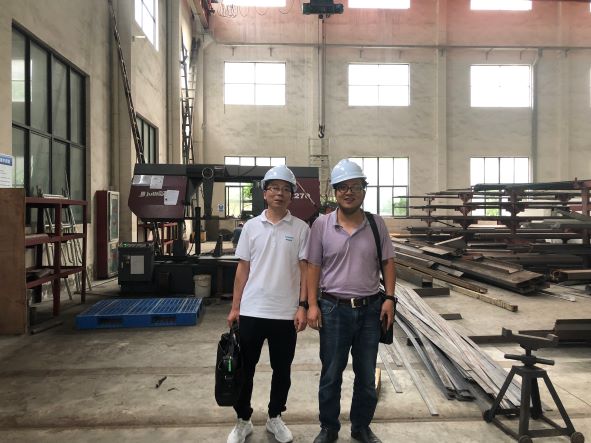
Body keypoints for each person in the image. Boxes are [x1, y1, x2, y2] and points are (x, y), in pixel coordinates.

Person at [306, 159, 397, 443]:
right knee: (331, 374)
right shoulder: (321, 225)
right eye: (343, 187)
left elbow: (388, 262)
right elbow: (313, 267)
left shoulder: (376, 224)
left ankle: (361, 427)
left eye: (355, 186)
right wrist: (311, 304)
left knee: (366, 376)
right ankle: (329, 428)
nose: (349, 192)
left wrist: (390, 298)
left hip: (370, 310)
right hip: (333, 309)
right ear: (335, 192)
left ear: (363, 191)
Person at [226, 164, 310, 443]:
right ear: (265, 193)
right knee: (244, 369)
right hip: (252, 311)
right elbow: (242, 269)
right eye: (274, 188)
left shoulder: (301, 228)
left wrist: (303, 306)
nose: (279, 193)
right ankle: (243, 420)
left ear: (292, 195)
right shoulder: (251, 227)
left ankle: (275, 417)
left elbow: (305, 270)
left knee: (282, 370)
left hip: (285, 313)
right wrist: (235, 307)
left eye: (286, 189)